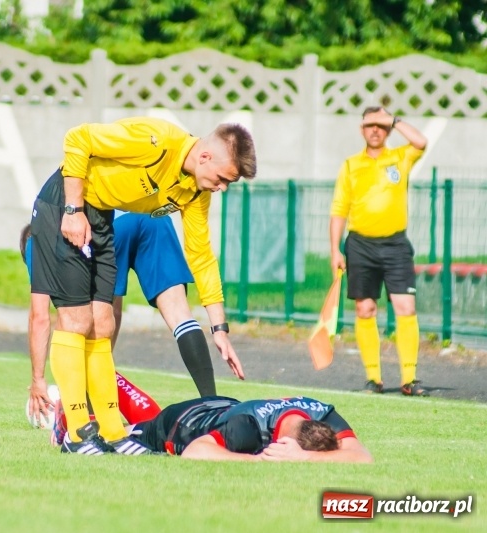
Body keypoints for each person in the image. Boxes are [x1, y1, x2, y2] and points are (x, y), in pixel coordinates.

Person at [28, 118, 256, 455]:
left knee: (103, 324)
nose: (222, 188)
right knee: (76, 321)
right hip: (64, 204)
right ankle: (75, 435)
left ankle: (112, 432)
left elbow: (202, 256)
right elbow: (78, 138)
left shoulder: (194, 190)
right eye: (223, 179)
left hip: (102, 216)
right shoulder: (156, 140)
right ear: (206, 157)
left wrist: (219, 328)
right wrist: (73, 210)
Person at [329, 106, 428, 397]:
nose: (375, 130)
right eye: (370, 124)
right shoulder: (350, 165)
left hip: (396, 245)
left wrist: (395, 120)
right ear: (361, 129)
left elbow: (420, 142)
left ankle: (409, 378)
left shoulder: (400, 157)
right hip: (360, 245)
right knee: (365, 309)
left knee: (405, 307)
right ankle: (375, 379)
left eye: (381, 125)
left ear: (387, 129)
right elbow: (338, 210)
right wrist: (335, 249)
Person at [131, 394, 373, 463]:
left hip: (223, 405)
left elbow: (362, 457)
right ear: (284, 444)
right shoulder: (248, 428)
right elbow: (194, 452)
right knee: (120, 433)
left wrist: (304, 456)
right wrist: (258, 460)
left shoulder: (322, 413)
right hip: (179, 422)